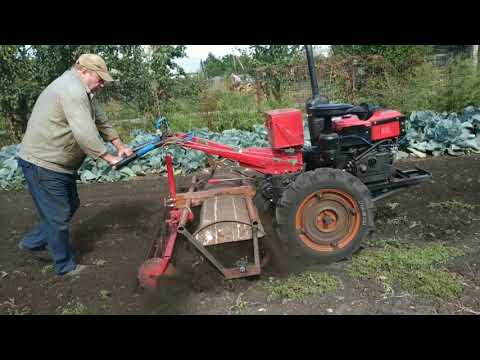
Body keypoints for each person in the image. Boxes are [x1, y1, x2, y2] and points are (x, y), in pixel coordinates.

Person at [16, 53, 133, 276]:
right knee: (58, 215)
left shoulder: (85, 92)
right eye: (99, 79)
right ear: (83, 71)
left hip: (58, 163)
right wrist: (108, 157)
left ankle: (32, 242)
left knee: (70, 205)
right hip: (43, 162)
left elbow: (101, 121)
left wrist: (120, 146)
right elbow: (84, 132)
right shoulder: (71, 90)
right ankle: (64, 266)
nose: (101, 85)